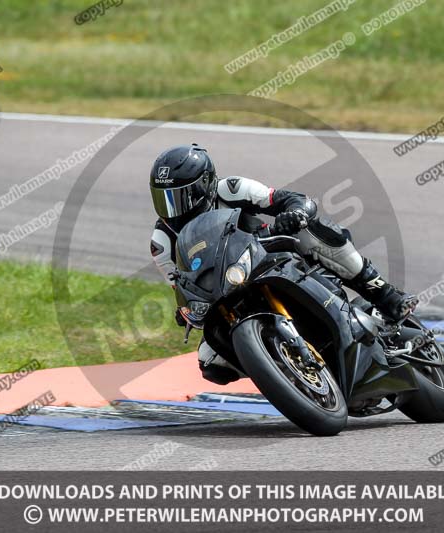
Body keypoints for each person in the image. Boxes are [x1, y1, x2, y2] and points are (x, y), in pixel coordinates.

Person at [149, 143, 417, 385]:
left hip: (270, 255)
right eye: (165, 199)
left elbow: (286, 199)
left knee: (311, 230)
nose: (174, 208)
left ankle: (385, 295)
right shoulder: (162, 241)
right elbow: (179, 284)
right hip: (228, 288)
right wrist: (184, 308)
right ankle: (284, 373)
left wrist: (295, 214)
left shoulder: (231, 189)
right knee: (211, 363)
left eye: (181, 197)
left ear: (204, 184)